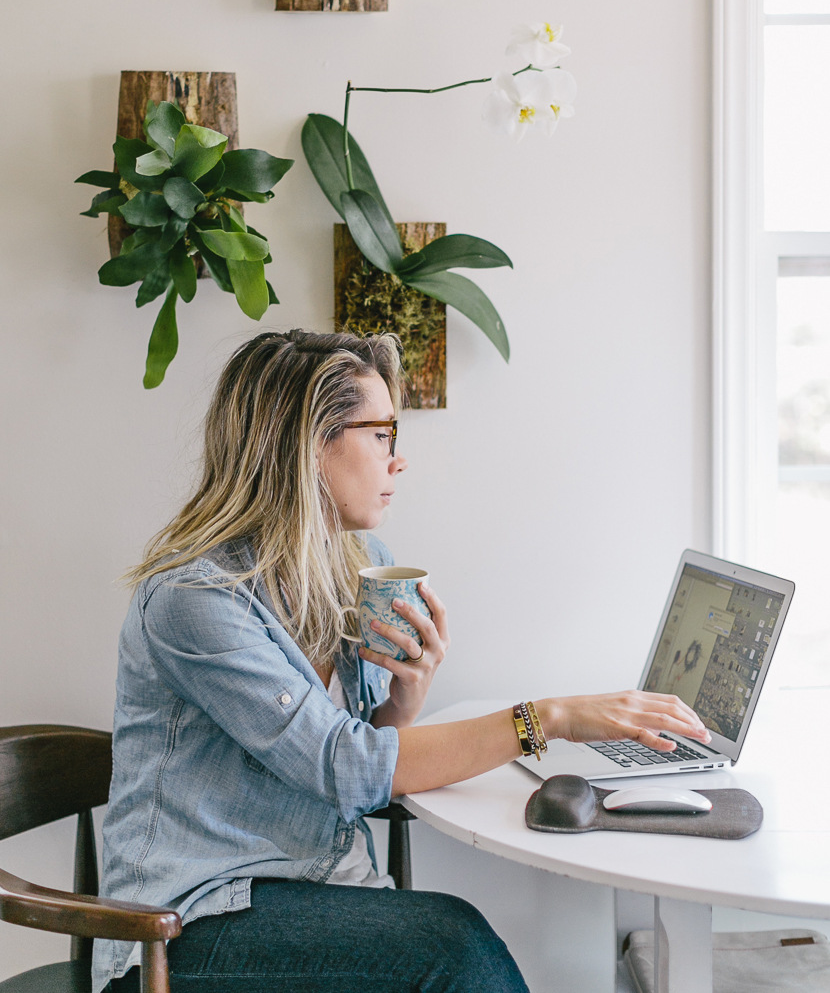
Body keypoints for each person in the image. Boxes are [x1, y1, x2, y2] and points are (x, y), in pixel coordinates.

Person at [93, 330, 709, 993]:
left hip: (316, 889)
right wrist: (550, 717)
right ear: (307, 444)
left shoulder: (362, 565)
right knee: (454, 947)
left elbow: (362, 752)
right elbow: (347, 766)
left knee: (453, 943)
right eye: (381, 434)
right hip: (185, 929)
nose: (399, 459)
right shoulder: (195, 599)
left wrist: (405, 699)